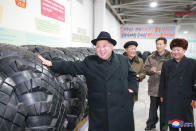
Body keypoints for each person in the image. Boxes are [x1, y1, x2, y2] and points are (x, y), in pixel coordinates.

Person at [38, 31, 137, 131]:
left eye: (104, 46)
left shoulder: (123, 60)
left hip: (122, 107)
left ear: (112, 46)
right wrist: (51, 63)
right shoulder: (90, 62)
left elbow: (132, 75)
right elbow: (71, 66)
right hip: (100, 110)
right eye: (98, 46)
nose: (101, 49)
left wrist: (131, 89)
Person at [159, 38, 196, 131]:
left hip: (186, 99)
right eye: (174, 50)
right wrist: (162, 95)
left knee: (187, 124)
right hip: (171, 99)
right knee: (174, 123)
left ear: (184, 50)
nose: (176, 52)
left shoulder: (192, 63)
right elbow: (162, 81)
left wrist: (195, 98)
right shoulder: (167, 64)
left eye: (178, 50)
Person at [144, 37, 171, 131]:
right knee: (152, 109)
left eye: (160, 44)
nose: (158, 46)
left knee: (164, 110)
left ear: (165, 45)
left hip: (165, 88)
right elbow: (145, 68)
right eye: (157, 44)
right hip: (154, 86)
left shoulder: (170, 57)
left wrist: (164, 72)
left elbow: (174, 70)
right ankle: (151, 124)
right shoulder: (150, 57)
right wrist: (150, 70)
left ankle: (164, 127)